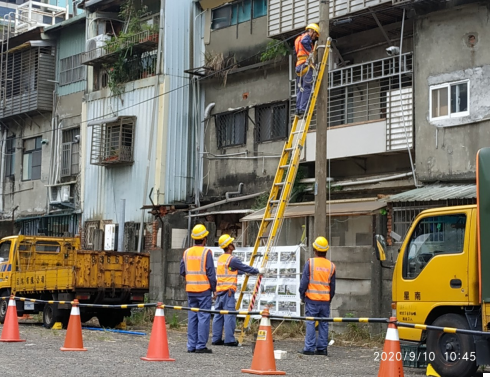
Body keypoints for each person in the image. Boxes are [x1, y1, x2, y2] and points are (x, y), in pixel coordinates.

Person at [211, 234, 266, 346]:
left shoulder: (221, 259)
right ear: (229, 246)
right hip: (228, 292)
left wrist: (243, 272)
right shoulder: (232, 259)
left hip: (220, 291)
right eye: (232, 242)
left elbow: (232, 270)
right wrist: (257, 270)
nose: (234, 244)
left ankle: (216, 339)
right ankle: (229, 340)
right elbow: (243, 267)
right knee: (229, 315)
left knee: (218, 315)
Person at [180, 224, 217, 353]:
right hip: (204, 290)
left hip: (190, 290)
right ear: (205, 238)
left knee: (192, 317)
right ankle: (201, 346)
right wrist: (214, 289)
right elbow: (211, 273)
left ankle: (191, 346)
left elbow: (182, 271)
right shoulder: (206, 252)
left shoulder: (186, 252)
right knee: (203, 317)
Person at [298, 236, 336, 356]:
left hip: (311, 300)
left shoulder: (310, 263)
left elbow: (304, 282)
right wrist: (329, 298)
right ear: (326, 250)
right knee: (324, 324)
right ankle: (322, 349)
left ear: (315, 249)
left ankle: (309, 348)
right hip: (325, 301)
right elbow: (333, 286)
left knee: (310, 322)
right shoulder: (331, 266)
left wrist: (302, 295)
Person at [294, 23, 320, 116]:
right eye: (315, 35)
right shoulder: (306, 37)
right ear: (311, 31)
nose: (314, 38)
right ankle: (303, 108)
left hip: (299, 65)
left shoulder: (298, 38)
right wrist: (311, 53)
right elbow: (305, 42)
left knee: (300, 88)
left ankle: (298, 109)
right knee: (307, 88)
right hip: (305, 65)